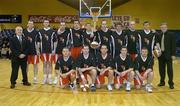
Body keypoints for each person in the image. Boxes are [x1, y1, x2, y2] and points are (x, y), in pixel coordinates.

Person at [157, 23, 176, 89]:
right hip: (161, 55)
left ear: (167, 27)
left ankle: (171, 83)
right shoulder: (159, 34)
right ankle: (162, 82)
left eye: (164, 27)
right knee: (161, 69)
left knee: (169, 70)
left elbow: (173, 45)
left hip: (169, 55)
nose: (163, 28)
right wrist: (157, 52)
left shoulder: (171, 34)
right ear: (160, 28)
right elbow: (157, 44)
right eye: (162, 27)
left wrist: (173, 54)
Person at [38, 20, 56, 85]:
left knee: (50, 64)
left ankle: (50, 78)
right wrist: (38, 50)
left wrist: (54, 49)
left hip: (51, 51)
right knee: (45, 64)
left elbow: (55, 41)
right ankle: (45, 78)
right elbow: (39, 42)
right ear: (43, 23)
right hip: (43, 51)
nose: (46, 23)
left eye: (47, 22)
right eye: (45, 22)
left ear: (48, 23)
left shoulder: (52, 31)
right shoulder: (40, 31)